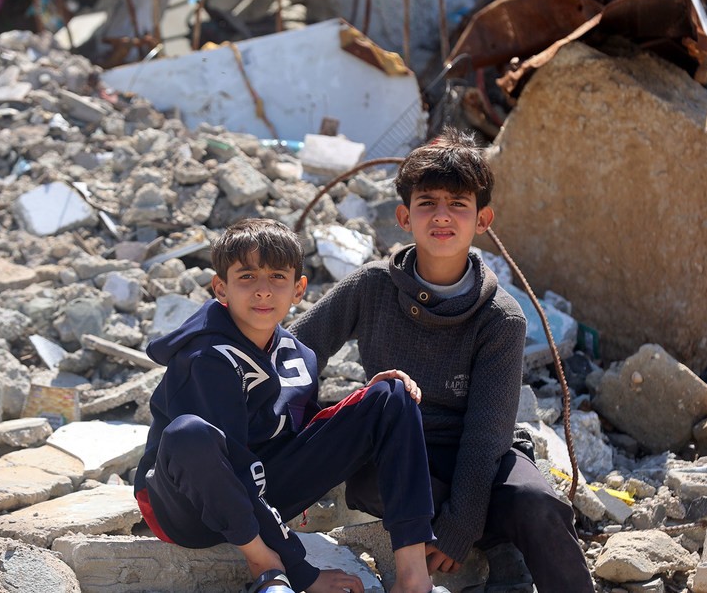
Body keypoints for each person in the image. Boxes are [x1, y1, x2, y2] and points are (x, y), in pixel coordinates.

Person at [290, 129, 595, 592]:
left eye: (458, 204)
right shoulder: (371, 287)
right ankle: (501, 546)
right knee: (372, 484)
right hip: (399, 449)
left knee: (536, 503)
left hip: (481, 453)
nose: (442, 216)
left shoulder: (501, 317)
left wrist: (459, 528)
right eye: (427, 202)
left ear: (483, 219)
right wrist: (294, 440)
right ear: (404, 216)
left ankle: (516, 551)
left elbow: (487, 434)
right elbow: (296, 350)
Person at [134, 218, 450, 593]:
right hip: (187, 509)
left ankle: (414, 578)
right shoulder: (205, 357)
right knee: (189, 433)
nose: (263, 292)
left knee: (392, 394)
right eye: (247, 277)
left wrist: (366, 403)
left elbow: (297, 433)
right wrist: (303, 570)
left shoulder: (298, 355)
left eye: (277, 278)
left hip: (263, 490)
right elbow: (226, 462)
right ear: (221, 287)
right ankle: (267, 565)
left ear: (299, 289)